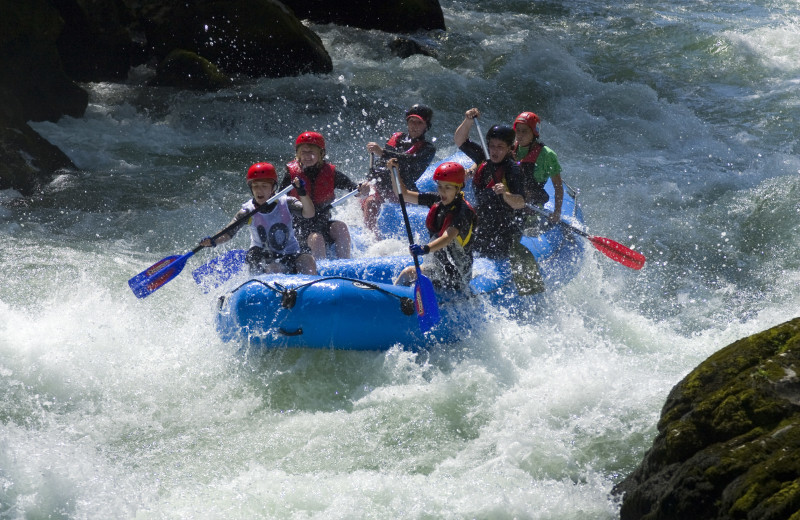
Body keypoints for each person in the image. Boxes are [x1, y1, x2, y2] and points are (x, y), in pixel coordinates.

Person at [199, 162, 317, 275]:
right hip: (263, 256)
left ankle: (312, 291)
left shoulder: (287, 202)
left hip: (290, 252)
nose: (259, 191)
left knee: (308, 260)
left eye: (264, 186)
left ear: (273, 188)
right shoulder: (247, 211)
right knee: (274, 268)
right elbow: (228, 233)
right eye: (255, 186)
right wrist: (213, 241)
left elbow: (309, 213)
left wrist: (302, 192)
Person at [391, 159, 477, 294]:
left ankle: (394, 302)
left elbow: (447, 238)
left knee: (407, 273)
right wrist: (393, 171)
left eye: (448, 187)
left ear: (458, 187)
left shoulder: (462, 212)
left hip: (457, 273)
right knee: (411, 275)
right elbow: (404, 195)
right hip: (439, 266)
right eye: (440, 186)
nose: (442, 191)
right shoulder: (436, 200)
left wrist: (425, 248)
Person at [280, 131, 369, 260]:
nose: (307, 156)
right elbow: (279, 200)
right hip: (298, 229)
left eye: (312, 152)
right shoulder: (291, 175)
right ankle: (321, 273)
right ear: (298, 154)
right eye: (303, 152)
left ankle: (344, 265)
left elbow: (353, 189)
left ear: (321, 154)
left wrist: (362, 189)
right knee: (317, 239)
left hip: (322, 223)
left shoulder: (330, 173)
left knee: (341, 228)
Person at [453, 107, 526, 260]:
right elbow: (460, 141)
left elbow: (520, 202)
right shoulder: (484, 157)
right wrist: (468, 121)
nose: (494, 151)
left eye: (500, 147)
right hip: (480, 221)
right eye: (492, 146)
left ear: (509, 149)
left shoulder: (512, 169)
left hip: (502, 228)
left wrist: (505, 194)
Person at [363, 104, 437, 233]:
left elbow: (410, 159)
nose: (414, 125)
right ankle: (372, 238)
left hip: (404, 188)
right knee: (370, 202)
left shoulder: (428, 148)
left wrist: (383, 152)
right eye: (411, 121)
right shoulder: (397, 138)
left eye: (419, 122)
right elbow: (381, 164)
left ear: (426, 126)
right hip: (383, 185)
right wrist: (369, 180)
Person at [512, 111, 564, 223]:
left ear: (534, 132)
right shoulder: (512, 147)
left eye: (524, 131)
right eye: (518, 130)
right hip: (515, 195)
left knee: (529, 220)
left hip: (534, 199)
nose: (519, 135)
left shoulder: (548, 155)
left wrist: (557, 212)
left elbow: (558, 186)